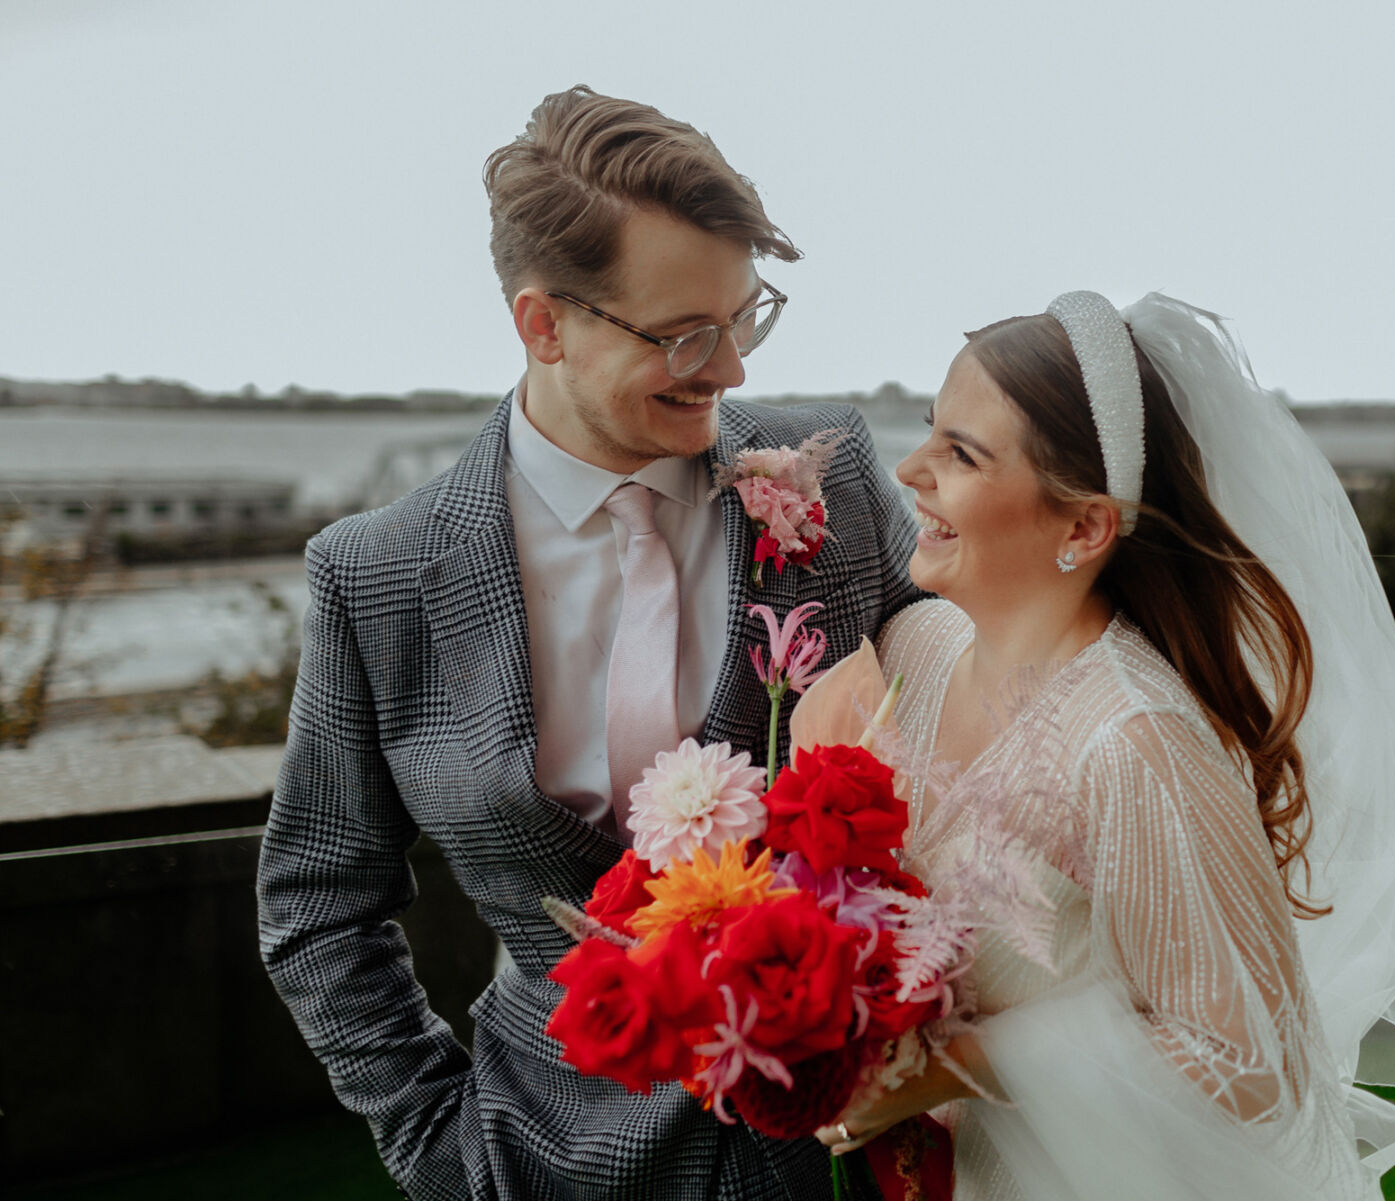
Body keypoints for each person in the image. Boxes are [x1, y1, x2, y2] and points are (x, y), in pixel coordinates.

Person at [805, 292, 1395, 1198]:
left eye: (961, 453)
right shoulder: (913, 652)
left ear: (1084, 526)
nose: (911, 469)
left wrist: (958, 1064)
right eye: (928, 432)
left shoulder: (1136, 745)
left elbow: (1246, 1061)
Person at [256, 87, 920, 1201]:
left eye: (745, 317)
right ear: (543, 323)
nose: (731, 371)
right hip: (542, 1160)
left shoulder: (833, 474)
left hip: (846, 1148)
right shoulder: (377, 575)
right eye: (682, 336)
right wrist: (435, 1140)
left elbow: (971, 724)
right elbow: (317, 901)